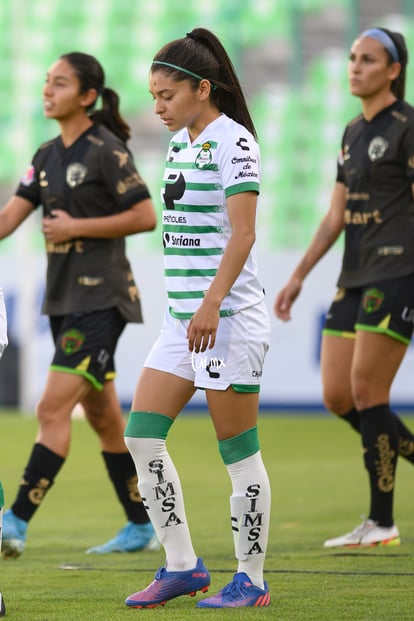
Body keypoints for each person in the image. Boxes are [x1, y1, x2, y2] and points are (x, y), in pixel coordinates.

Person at [123, 27, 271, 609]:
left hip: (227, 319)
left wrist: (210, 303)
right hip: (181, 323)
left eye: (166, 95)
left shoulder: (234, 142)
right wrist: (190, 308)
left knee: (238, 452)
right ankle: (182, 565)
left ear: (202, 88)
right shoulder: (182, 142)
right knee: (142, 437)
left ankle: (252, 581)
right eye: (153, 96)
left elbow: (244, 233)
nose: (157, 107)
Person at [0, 52, 159, 558]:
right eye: (47, 82)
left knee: (51, 408)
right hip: (64, 300)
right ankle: (140, 524)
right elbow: (6, 221)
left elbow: (145, 215)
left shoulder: (106, 150)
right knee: (104, 417)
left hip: (102, 297)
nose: (48, 90)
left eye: (60, 83)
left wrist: (74, 227)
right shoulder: (46, 154)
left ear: (87, 95)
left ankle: (15, 521)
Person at [274, 27, 414, 548]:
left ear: (394, 70)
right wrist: (299, 275)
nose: (355, 67)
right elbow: (335, 216)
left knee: (367, 392)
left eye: (369, 59)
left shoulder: (408, 126)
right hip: (352, 273)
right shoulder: (352, 131)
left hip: (396, 271)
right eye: (353, 58)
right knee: (338, 395)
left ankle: (381, 523)